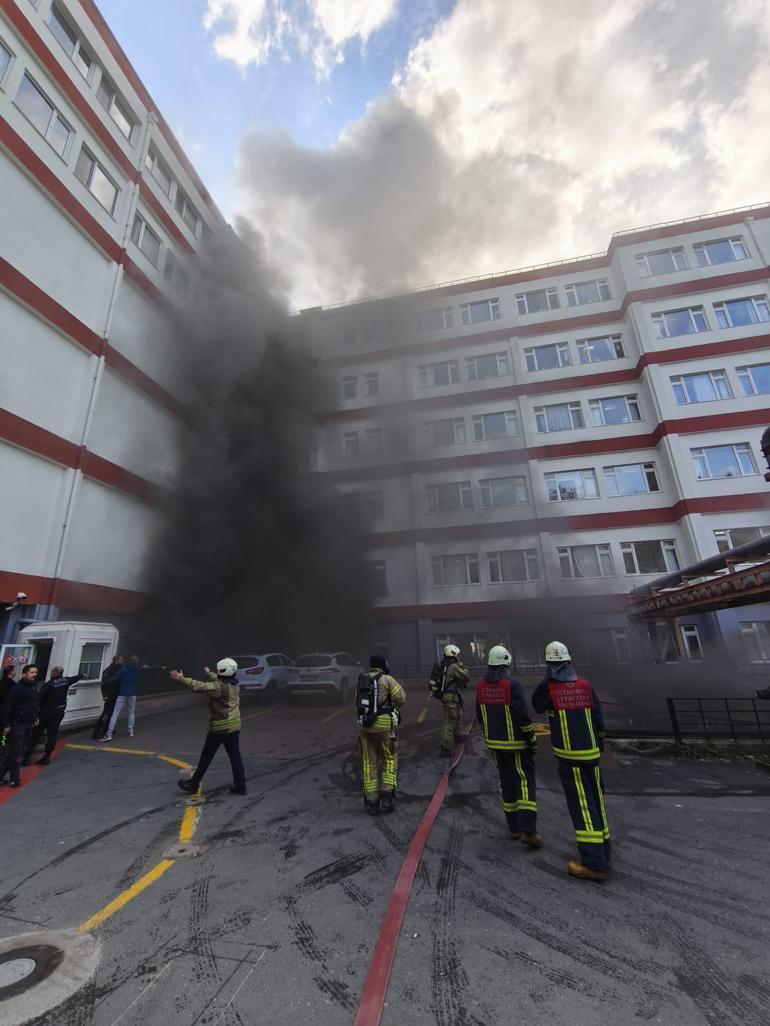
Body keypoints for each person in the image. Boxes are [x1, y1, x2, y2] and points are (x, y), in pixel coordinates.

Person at [531, 641, 611, 882]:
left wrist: (547, 681)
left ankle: (594, 864)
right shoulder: (585, 685)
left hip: (570, 756)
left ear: (549, 665)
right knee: (596, 801)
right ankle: (604, 850)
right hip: (591, 753)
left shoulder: (550, 688)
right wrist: (600, 745)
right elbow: (598, 718)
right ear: (568, 661)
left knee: (583, 807)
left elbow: (537, 705)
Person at [475, 644, 541, 847]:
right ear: (506, 663)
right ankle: (528, 831)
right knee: (523, 782)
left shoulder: (480, 687)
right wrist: (531, 739)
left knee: (506, 783)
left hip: (495, 744)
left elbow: (480, 716)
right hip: (517, 744)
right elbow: (522, 715)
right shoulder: (512, 684)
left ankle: (513, 828)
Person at [170, 658, 247, 795]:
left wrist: (182, 678)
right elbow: (220, 678)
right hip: (234, 726)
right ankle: (241, 787)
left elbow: (198, 686)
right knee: (235, 757)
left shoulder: (218, 688)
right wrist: (209, 673)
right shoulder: (235, 684)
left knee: (206, 757)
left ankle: (193, 785)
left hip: (219, 728)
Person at [358, 654, 406, 815]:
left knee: (368, 763)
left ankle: (372, 803)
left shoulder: (362, 680)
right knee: (389, 760)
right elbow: (401, 699)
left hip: (365, 728)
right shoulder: (387, 679)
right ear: (383, 665)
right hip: (384, 728)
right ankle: (386, 798)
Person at [23, 666, 82, 766]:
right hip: (59, 712)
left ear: (54, 673)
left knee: (36, 734)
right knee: (52, 734)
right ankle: (47, 757)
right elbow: (75, 678)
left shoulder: (49, 685)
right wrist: (82, 675)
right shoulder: (66, 681)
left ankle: (27, 758)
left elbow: (38, 698)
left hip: (46, 713)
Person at [101, 655, 164, 741]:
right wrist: (161, 667)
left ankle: (109, 734)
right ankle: (131, 731)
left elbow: (115, 679)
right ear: (136, 661)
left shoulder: (123, 669)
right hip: (132, 694)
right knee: (131, 712)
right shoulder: (138, 669)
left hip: (122, 693)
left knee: (115, 713)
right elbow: (150, 669)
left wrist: (105, 682)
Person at [0, 665, 40, 788]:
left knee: (16, 752)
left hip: (28, 723)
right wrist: (6, 725)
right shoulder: (18, 688)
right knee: (15, 753)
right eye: (31, 672)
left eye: (35, 672)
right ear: (24, 674)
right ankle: (14, 779)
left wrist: (35, 717)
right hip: (17, 725)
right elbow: (6, 707)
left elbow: (33, 704)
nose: (34, 675)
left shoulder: (33, 687)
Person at [437, 644, 470, 756]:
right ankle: (445, 748)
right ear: (454, 654)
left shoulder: (444, 665)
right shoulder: (454, 667)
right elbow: (466, 677)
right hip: (450, 696)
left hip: (450, 696)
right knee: (449, 720)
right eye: (457, 654)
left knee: (458, 713)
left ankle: (458, 735)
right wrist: (463, 667)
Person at [93, 655, 123, 739]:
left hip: (116, 693)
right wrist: (104, 695)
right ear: (116, 661)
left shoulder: (120, 669)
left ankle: (108, 728)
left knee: (112, 713)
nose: (122, 661)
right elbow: (104, 684)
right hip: (110, 694)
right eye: (121, 660)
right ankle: (97, 732)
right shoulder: (108, 671)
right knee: (106, 713)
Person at [0, 666, 17, 783]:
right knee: (3, 744)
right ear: (11, 672)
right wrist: (7, 724)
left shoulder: (2, 683)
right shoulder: (12, 686)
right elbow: (7, 707)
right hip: (5, 721)